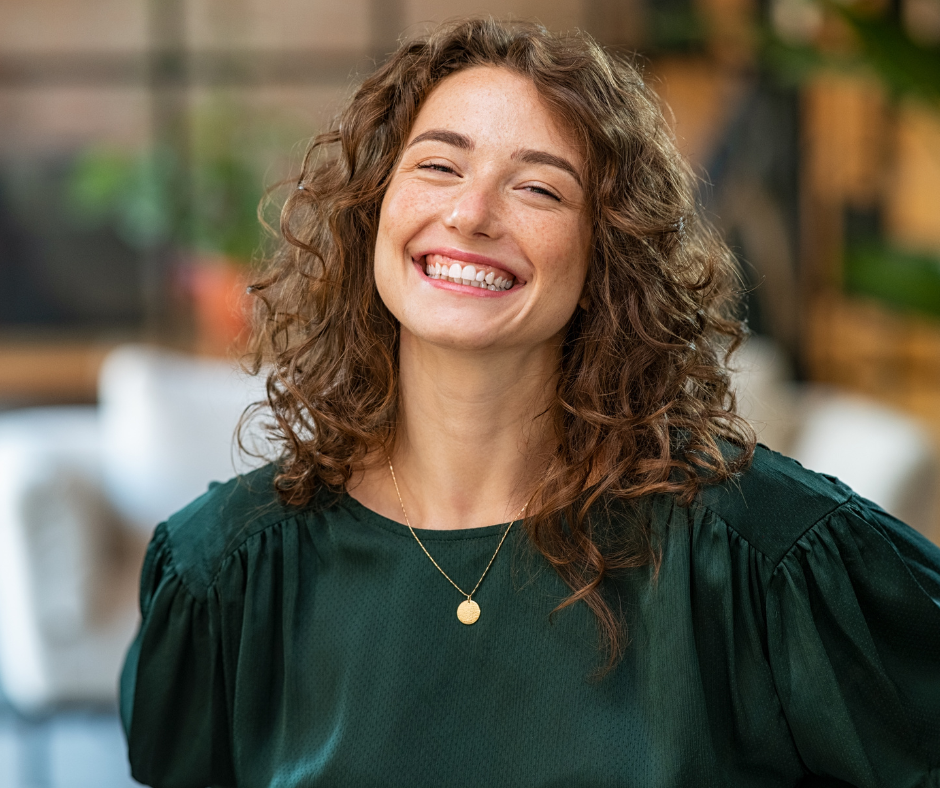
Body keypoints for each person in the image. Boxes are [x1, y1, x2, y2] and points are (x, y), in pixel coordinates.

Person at [120, 18, 940, 788]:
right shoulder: (222, 576)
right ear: (373, 209)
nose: (471, 214)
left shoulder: (763, 557)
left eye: (540, 190)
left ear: (606, 257)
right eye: (438, 166)